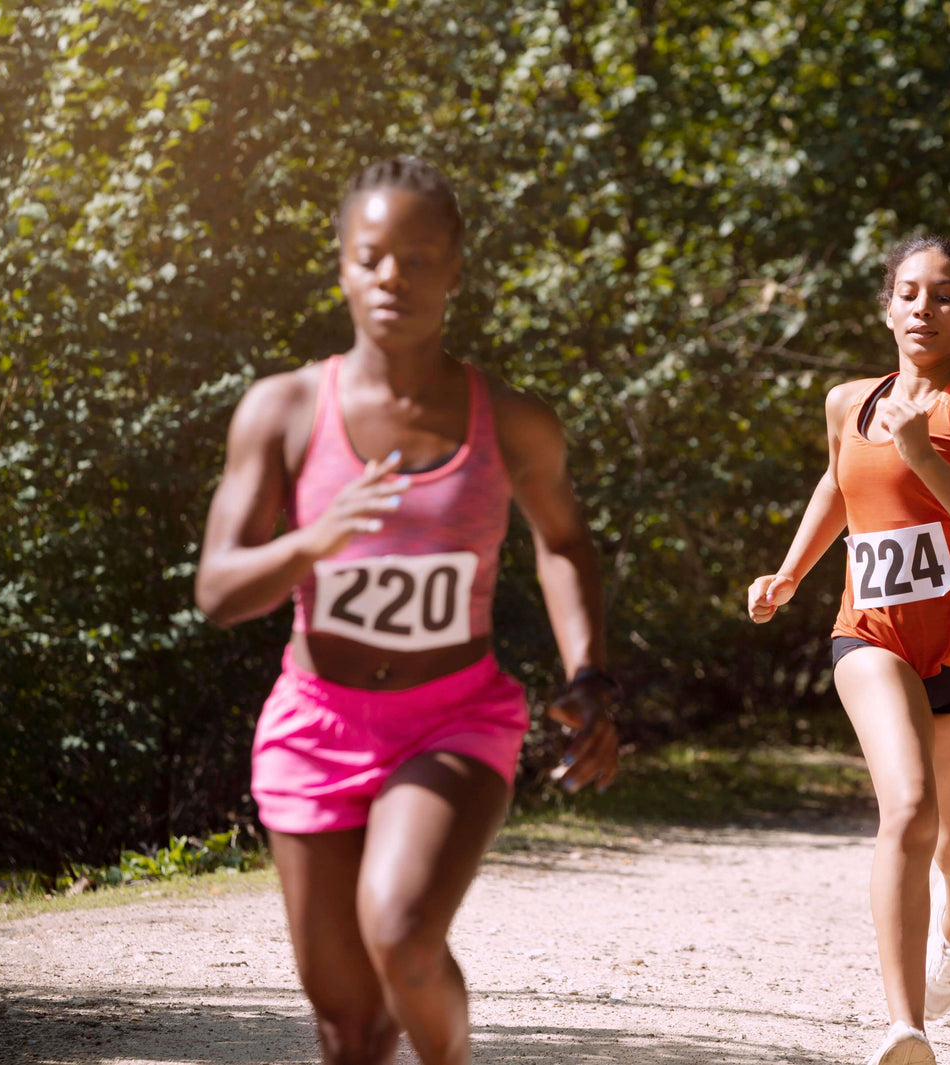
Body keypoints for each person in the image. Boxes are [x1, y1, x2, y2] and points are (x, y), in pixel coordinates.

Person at [195, 156, 619, 1065]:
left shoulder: (510, 420)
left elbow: (564, 543)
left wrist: (589, 673)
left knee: (403, 933)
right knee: (348, 1027)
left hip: (454, 717)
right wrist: (311, 541)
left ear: (455, 269)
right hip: (315, 726)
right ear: (343, 264)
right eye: (373, 256)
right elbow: (220, 590)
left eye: (420, 258)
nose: (395, 277)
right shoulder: (282, 411)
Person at [748, 235, 950, 1065]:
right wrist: (792, 571)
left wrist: (922, 455)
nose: (924, 308)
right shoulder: (850, 401)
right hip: (873, 636)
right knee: (909, 811)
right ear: (886, 305)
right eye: (909, 292)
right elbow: (839, 481)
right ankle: (906, 1027)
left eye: (945, 295)